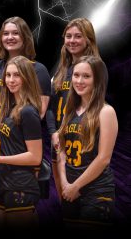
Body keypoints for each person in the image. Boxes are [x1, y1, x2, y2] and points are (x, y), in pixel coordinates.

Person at [0, 16, 51, 199]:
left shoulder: (38, 69)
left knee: (20, 202)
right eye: (5, 33)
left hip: (17, 143)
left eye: (15, 33)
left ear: (25, 37)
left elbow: (38, 112)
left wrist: (8, 136)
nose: (10, 37)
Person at [0, 56, 43, 229]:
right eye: (8, 75)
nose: (11, 80)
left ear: (27, 78)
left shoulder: (28, 112)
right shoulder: (9, 109)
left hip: (20, 184)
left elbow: (35, 157)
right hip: (4, 182)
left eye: (17, 75)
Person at [46, 18, 108, 200]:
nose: (72, 40)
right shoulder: (60, 70)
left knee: (83, 193)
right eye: (68, 36)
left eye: (78, 36)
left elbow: (97, 106)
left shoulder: (96, 68)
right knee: (64, 197)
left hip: (82, 138)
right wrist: (53, 132)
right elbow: (50, 108)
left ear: (88, 39)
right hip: (59, 140)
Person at [56, 55, 118, 229]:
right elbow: (61, 151)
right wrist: (65, 183)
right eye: (76, 75)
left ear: (97, 80)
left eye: (86, 76)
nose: (79, 81)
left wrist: (76, 186)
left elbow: (104, 158)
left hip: (96, 191)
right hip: (70, 190)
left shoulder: (105, 111)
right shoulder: (69, 111)